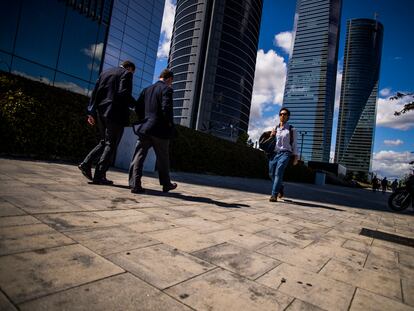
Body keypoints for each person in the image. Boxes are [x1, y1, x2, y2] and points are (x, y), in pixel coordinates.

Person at [78, 60, 136, 184]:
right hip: (115, 114)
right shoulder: (126, 73)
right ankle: (99, 176)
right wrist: (136, 105)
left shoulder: (105, 73)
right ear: (130, 68)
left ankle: (86, 163)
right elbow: (123, 93)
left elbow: (95, 94)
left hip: (100, 112)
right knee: (111, 144)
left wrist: (91, 112)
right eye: (133, 72)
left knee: (105, 141)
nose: (132, 74)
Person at [129, 69, 177, 194]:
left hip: (145, 128)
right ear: (169, 79)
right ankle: (166, 184)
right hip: (160, 130)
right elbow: (166, 109)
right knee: (163, 158)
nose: (171, 84)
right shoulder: (167, 89)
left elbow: (138, 107)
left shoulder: (147, 89)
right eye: (171, 81)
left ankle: (135, 184)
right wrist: (170, 124)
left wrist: (145, 120)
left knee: (139, 156)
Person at [268, 107, 299, 202]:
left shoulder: (291, 129)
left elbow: (294, 144)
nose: (282, 115)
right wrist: (271, 135)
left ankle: (274, 195)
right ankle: (280, 187)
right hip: (274, 153)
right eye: (281, 114)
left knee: (279, 171)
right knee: (271, 173)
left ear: (288, 117)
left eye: (284, 114)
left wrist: (296, 157)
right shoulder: (276, 128)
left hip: (286, 153)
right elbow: (272, 141)